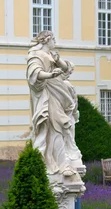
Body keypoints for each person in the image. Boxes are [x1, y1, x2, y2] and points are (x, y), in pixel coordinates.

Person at [27, 30, 82, 176]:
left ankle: (60, 163)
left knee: (61, 129)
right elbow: (35, 73)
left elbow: (67, 68)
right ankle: (61, 166)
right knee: (57, 128)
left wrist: (58, 61)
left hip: (59, 94)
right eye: (53, 39)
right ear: (46, 40)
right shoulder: (35, 55)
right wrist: (50, 75)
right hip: (48, 96)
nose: (55, 42)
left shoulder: (52, 55)